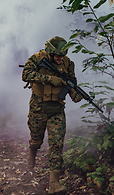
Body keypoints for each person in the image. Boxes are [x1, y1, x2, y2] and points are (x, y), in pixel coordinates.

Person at [22, 36, 83, 194]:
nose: (60, 59)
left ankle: (54, 183)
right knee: (37, 139)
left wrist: (74, 93)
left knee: (56, 145)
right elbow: (26, 75)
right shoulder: (36, 59)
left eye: (62, 56)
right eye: (57, 56)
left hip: (57, 109)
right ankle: (32, 152)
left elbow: (71, 82)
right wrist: (49, 79)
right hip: (38, 108)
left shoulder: (68, 63)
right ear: (49, 53)